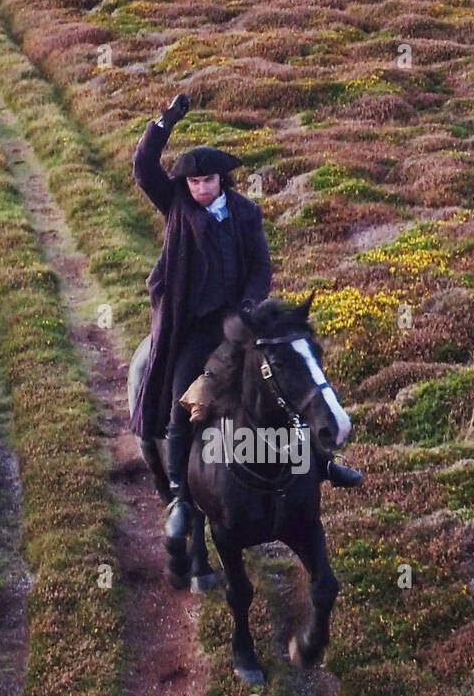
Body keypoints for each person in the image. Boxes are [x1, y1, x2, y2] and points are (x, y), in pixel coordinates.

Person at [130, 92, 363, 539]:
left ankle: (324, 464)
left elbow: (260, 267)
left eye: (207, 181)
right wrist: (165, 121)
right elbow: (144, 168)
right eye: (194, 183)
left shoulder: (246, 213)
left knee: (290, 388)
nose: (200, 188)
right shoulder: (176, 208)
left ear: (222, 180)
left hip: (241, 325)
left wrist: (251, 306)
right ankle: (180, 493)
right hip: (194, 331)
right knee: (183, 405)